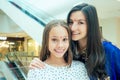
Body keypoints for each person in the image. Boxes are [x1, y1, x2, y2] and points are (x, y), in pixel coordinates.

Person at [29, 3, 120, 80]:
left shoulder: (110, 51)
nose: (73, 28)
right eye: (71, 22)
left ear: (91, 25)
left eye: (80, 23)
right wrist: (37, 62)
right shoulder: (69, 48)